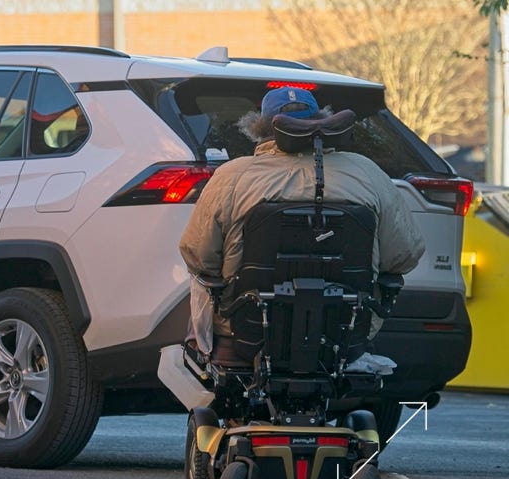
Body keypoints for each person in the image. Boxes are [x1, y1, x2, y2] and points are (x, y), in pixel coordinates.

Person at [178, 86, 426, 375]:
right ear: (321, 120)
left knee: (201, 276)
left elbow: (197, 255)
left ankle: (203, 357)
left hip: (248, 327)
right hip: (344, 330)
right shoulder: (367, 173)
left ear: (260, 128)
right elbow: (405, 256)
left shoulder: (232, 176)